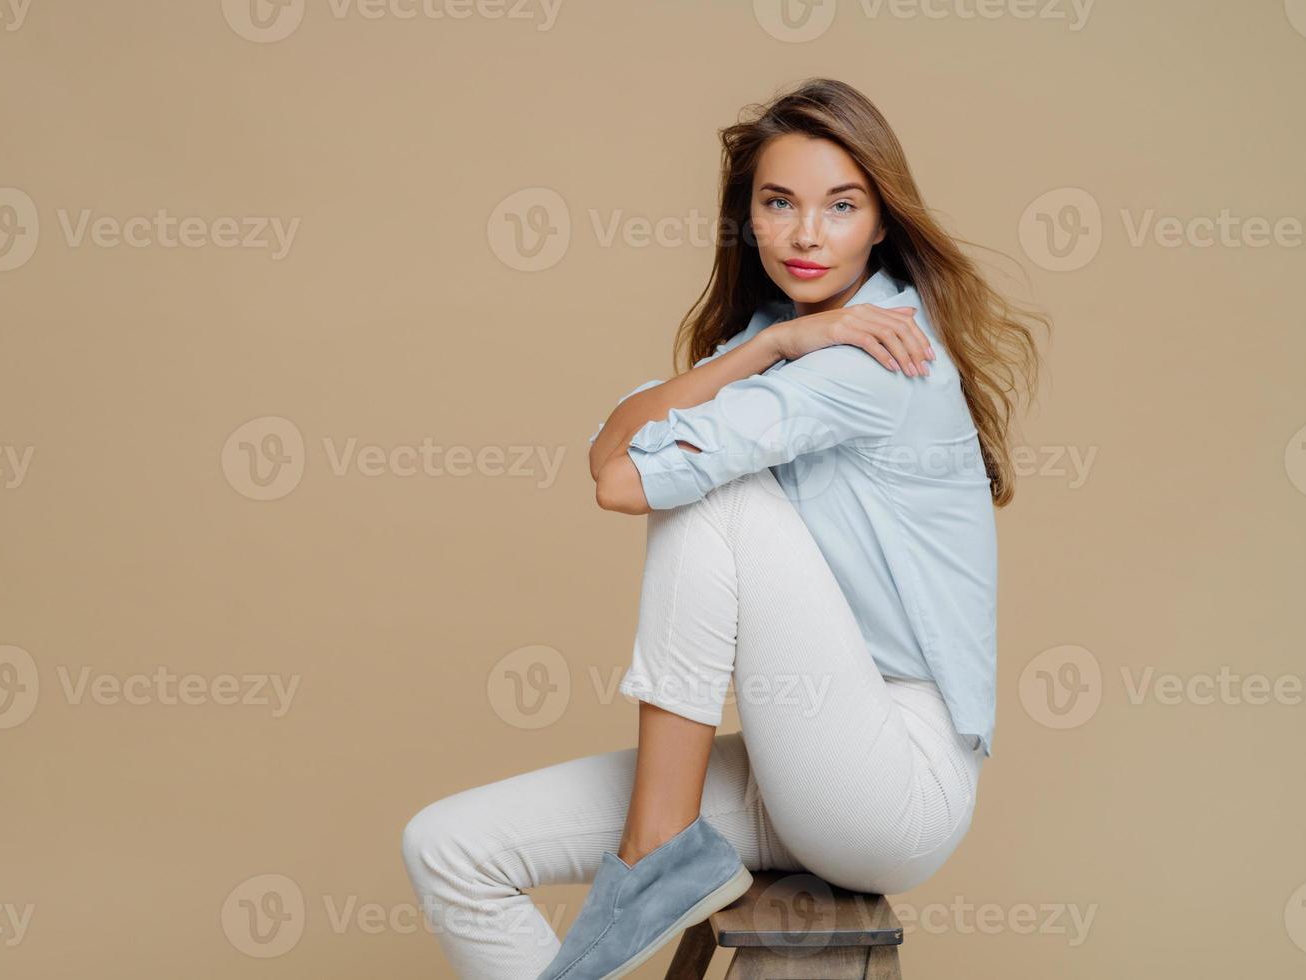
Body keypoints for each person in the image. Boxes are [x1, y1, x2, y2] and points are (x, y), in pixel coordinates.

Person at [401, 76, 1049, 979]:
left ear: (881, 223)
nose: (806, 234)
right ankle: (659, 848)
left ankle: (656, 845)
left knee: (720, 497)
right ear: (748, 216)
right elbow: (608, 450)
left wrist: (771, 360)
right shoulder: (788, 336)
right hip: (806, 751)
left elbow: (626, 484)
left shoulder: (871, 358)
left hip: (895, 779)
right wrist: (764, 346)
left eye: (841, 205)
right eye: (778, 203)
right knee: (449, 848)